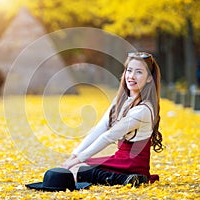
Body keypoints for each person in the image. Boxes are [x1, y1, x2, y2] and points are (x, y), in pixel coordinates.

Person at [63, 51, 163, 187]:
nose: (131, 76)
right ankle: (124, 178)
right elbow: (101, 128)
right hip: (120, 159)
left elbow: (109, 136)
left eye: (139, 72)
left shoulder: (143, 110)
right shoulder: (121, 101)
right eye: (129, 70)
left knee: (75, 171)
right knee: (74, 168)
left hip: (133, 165)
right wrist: (75, 155)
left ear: (149, 78)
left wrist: (78, 159)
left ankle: (127, 179)